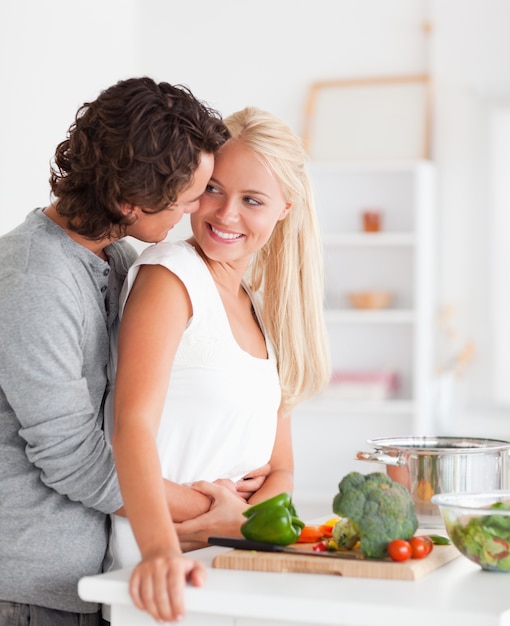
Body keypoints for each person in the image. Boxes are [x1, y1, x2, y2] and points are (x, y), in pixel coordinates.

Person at [0, 76, 230, 626]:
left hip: (95, 584)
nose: (197, 210)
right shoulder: (36, 279)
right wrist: (209, 511)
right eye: (187, 199)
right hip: (31, 594)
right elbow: (72, 457)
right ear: (129, 202)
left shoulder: (119, 261)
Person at [106, 106, 331, 622]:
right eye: (214, 189)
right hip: (164, 577)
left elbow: (282, 467)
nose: (225, 214)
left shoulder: (262, 307)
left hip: (238, 570)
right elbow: (129, 429)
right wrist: (215, 519)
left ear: (285, 210)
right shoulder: (169, 278)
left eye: (252, 200)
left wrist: (242, 521)